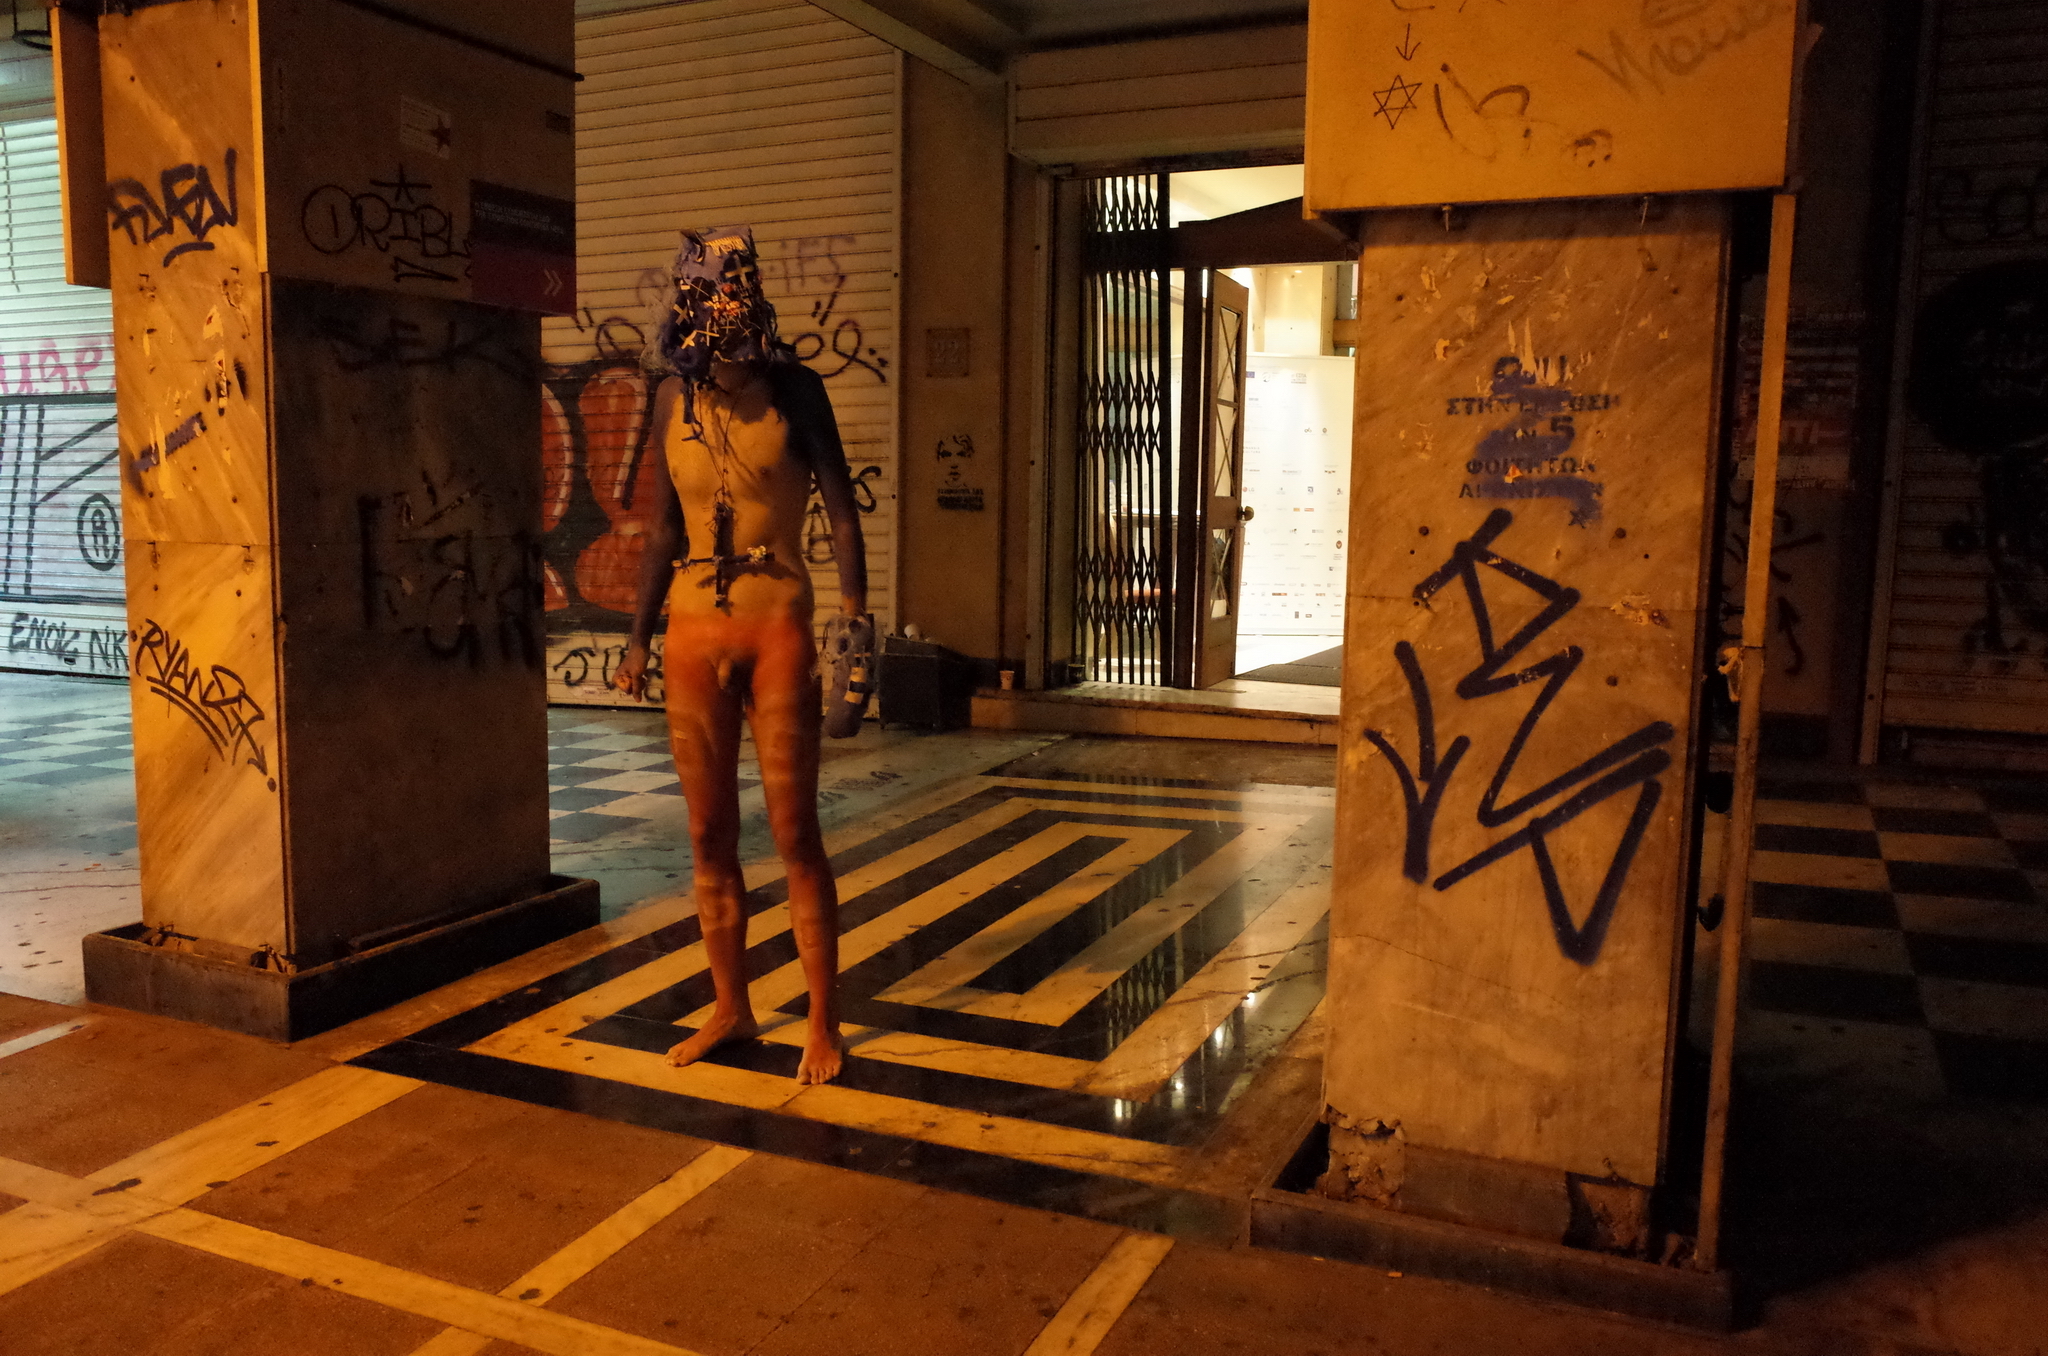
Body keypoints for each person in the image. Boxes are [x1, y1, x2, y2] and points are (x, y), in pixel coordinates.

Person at [610, 225, 867, 1086]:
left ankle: (823, 1021)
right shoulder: (670, 399)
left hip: (777, 626)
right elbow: (661, 530)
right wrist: (637, 638)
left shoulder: (795, 390)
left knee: (795, 832)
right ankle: (731, 1005)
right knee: (706, 833)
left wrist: (855, 626)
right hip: (693, 630)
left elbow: (841, 511)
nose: (722, 354)